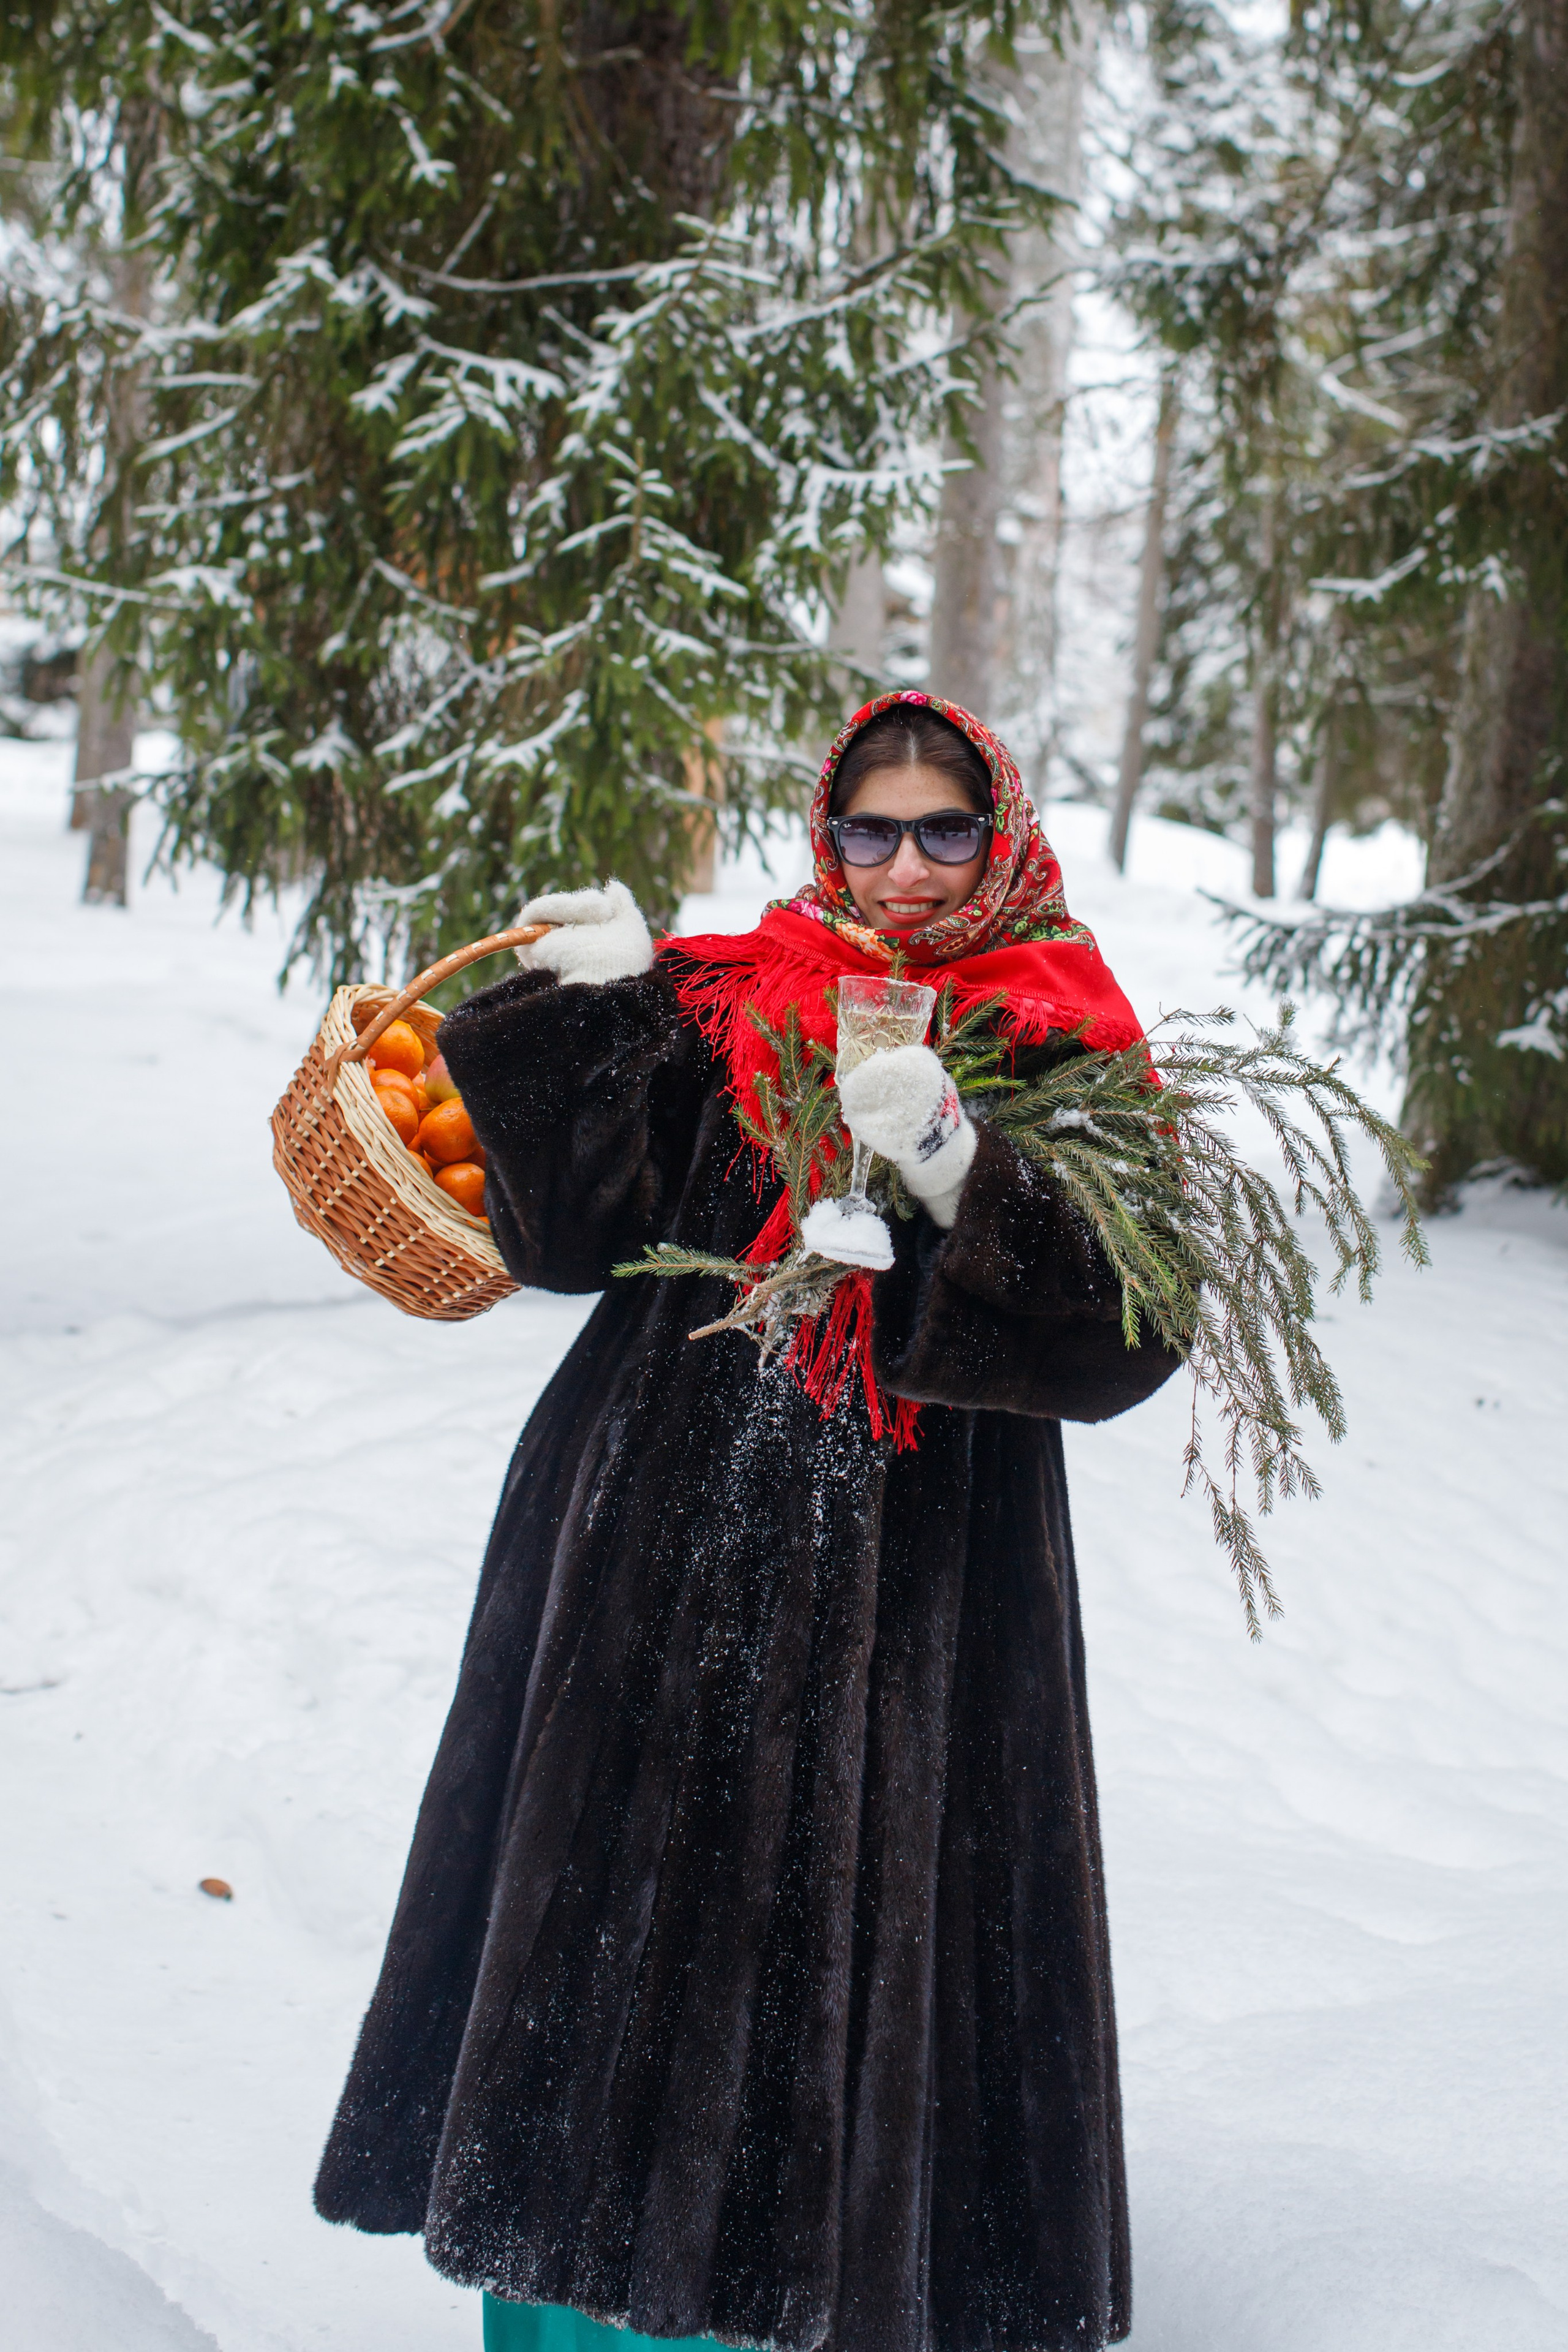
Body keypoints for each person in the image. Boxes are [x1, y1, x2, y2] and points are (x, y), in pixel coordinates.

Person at [314, 692, 1181, 2352]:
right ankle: (574, 2320)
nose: (907, 868)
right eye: (872, 829)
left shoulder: (1064, 1025)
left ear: (999, 837)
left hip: (919, 1596)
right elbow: (571, 1239)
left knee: (845, 1966)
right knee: (607, 1940)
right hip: (648, 1541)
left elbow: (1134, 1333)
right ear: (824, 835)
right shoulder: (739, 993)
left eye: (944, 830)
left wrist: (952, 1155)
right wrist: (603, 1006)